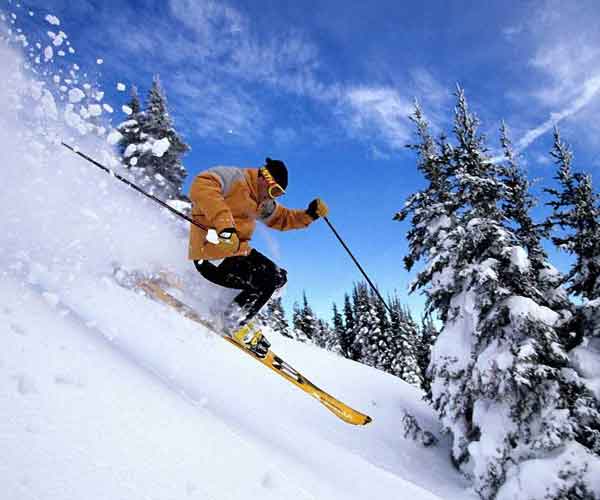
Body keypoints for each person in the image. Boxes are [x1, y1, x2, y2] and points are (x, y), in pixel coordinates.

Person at [188, 157, 328, 357]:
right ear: (265, 178)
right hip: (211, 251)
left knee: (278, 277)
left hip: (236, 252)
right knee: (266, 281)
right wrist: (224, 225)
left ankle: (231, 309)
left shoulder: (261, 201)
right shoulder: (234, 178)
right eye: (274, 191)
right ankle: (232, 321)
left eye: (278, 193)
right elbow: (202, 185)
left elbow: (282, 218)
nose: (274, 197)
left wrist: (310, 215)